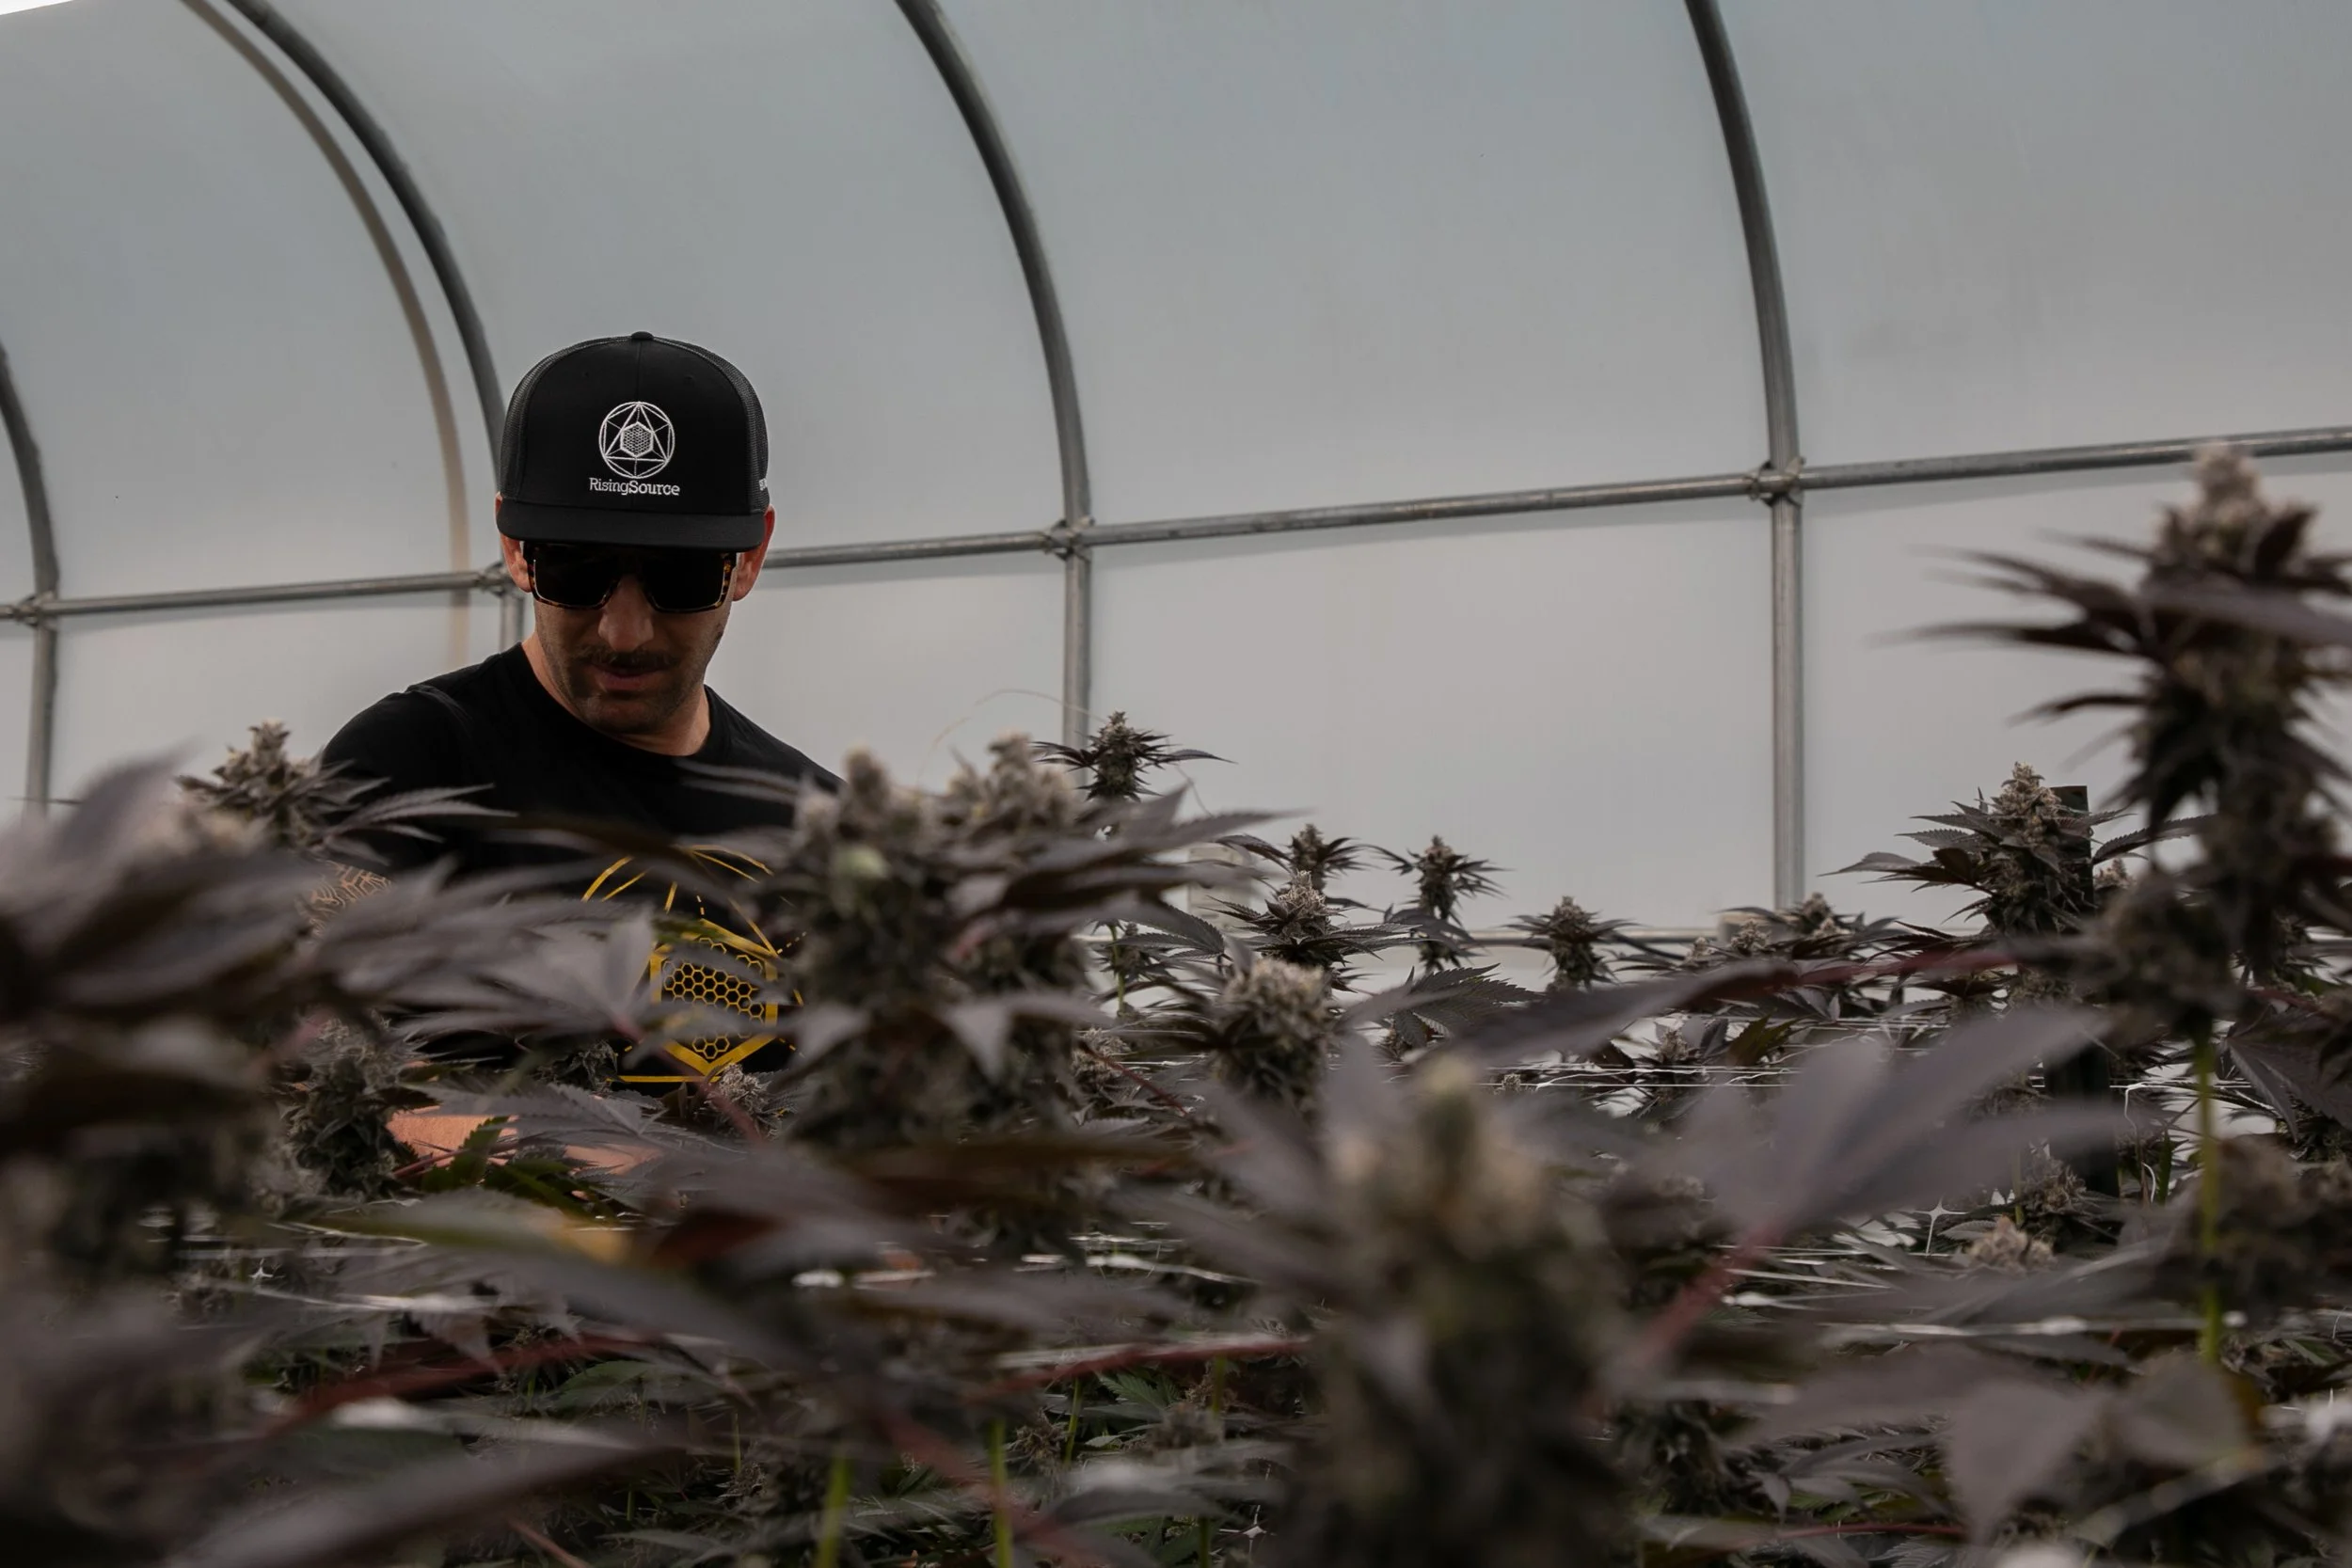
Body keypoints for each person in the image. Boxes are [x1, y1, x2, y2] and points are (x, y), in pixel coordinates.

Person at [326, 332, 836, 1085]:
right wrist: (577, 1165)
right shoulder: (406, 770)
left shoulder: (821, 823)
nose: (623, 631)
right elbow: (310, 1075)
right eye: (576, 571)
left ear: (751, 557)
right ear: (514, 547)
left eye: (683, 578)